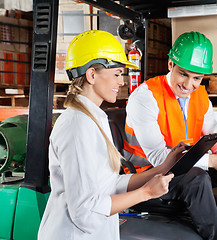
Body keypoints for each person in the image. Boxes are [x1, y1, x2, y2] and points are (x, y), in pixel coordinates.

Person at [37, 30, 184, 240]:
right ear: (92, 75)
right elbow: (85, 212)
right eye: (116, 74)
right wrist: (145, 193)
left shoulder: (94, 118)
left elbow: (108, 184)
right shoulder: (77, 126)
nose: (122, 82)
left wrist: (164, 167)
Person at [124, 31, 217, 239]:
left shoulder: (198, 95)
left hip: (186, 166)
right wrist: (212, 161)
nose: (189, 85)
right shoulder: (145, 97)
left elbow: (213, 133)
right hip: (149, 174)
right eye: (183, 74)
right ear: (171, 65)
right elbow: (157, 157)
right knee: (197, 180)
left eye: (197, 78)